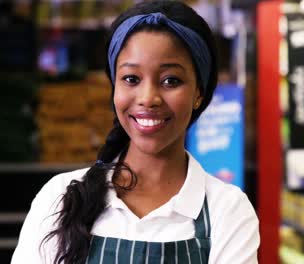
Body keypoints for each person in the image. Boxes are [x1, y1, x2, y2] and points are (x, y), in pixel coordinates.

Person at [11, 1, 259, 263]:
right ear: (114, 87)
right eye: (131, 79)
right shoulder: (61, 198)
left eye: (170, 80)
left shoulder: (227, 210)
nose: (148, 98)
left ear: (198, 92)